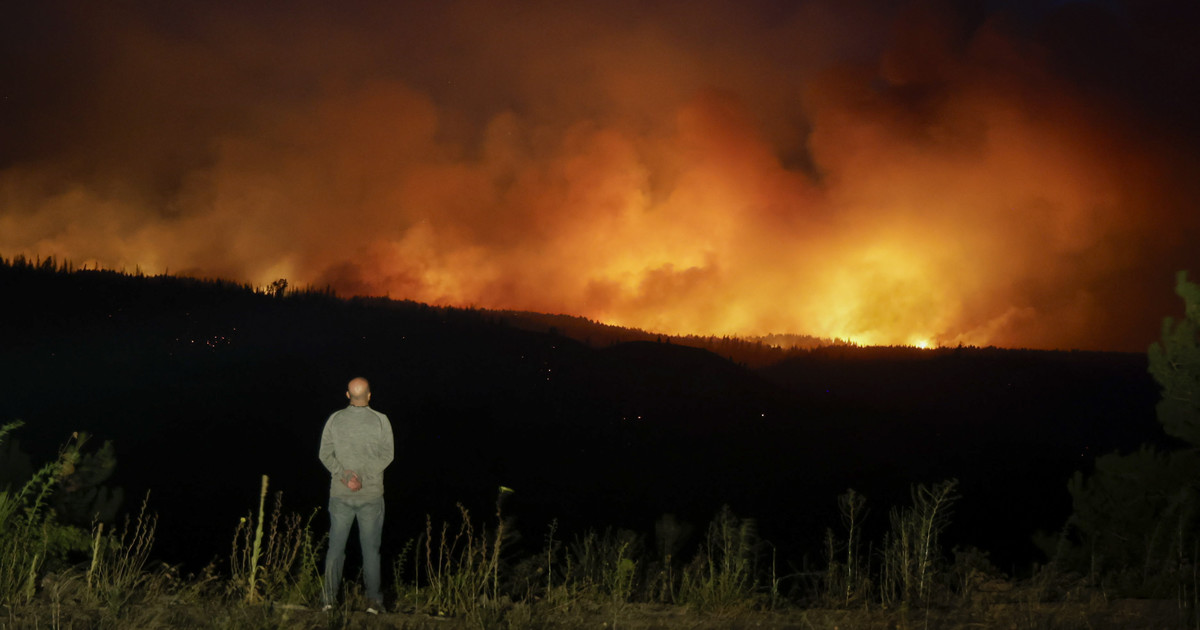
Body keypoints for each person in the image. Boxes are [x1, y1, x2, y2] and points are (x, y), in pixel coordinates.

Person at [319, 377, 394, 613]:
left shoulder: (335, 419)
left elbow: (324, 454)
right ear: (369, 395)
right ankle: (374, 603)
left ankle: (328, 601)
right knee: (371, 551)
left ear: (348, 395)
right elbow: (388, 455)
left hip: (341, 496)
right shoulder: (381, 420)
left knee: (335, 549)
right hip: (370, 496)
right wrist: (363, 476)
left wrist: (345, 476)